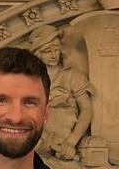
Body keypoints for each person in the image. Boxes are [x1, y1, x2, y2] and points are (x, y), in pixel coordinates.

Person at [28, 25, 94, 161]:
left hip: (61, 140)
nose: (53, 55)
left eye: (56, 49)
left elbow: (86, 110)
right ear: (37, 53)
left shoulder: (72, 75)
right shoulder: (28, 77)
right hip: (33, 138)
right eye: (47, 51)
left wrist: (71, 142)